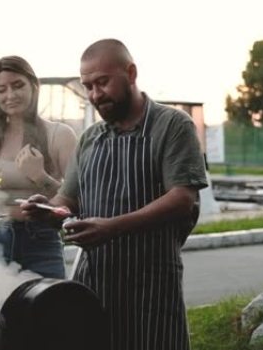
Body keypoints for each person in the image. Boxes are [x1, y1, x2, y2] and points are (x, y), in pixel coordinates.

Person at [21, 39, 208, 350]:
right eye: (88, 86)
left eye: (102, 82)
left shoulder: (173, 126)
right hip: (92, 287)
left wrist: (111, 228)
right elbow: (68, 202)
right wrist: (47, 210)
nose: (95, 95)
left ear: (131, 73)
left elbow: (182, 199)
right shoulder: (90, 139)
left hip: (151, 286)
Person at [0, 55, 77, 279]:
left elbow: (75, 206)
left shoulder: (59, 135)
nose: (10, 95)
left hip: (40, 243)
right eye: (1, 89)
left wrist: (40, 177)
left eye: (18, 85)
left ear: (34, 86)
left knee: (44, 313)